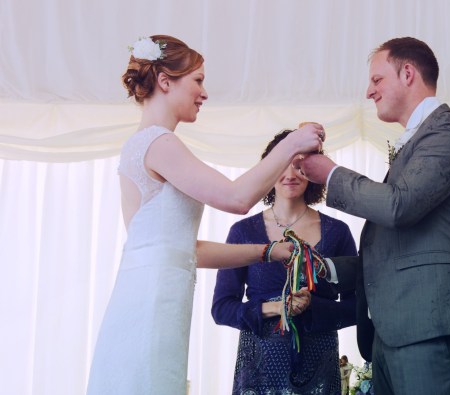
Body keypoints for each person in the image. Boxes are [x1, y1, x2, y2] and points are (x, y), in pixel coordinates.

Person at [86, 35, 325, 395]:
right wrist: (292, 143)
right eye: (197, 80)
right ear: (165, 81)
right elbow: (236, 197)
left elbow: (186, 249)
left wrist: (266, 252)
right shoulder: (158, 143)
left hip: (147, 294)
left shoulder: (139, 146)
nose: (204, 93)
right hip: (154, 302)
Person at [294, 37, 450, 395]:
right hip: (394, 336)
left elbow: (398, 207)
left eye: (377, 80)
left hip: (431, 330)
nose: (369, 91)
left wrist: (331, 174)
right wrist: (322, 267)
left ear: (408, 73)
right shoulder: (418, 142)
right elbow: (396, 246)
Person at [211, 128, 358, 394]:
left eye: (299, 166)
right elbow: (221, 309)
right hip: (259, 371)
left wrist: (315, 307)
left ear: (313, 171)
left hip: (319, 368)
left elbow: (357, 305)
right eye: (282, 165)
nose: (290, 175)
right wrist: (275, 308)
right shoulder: (242, 232)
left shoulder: (339, 231)